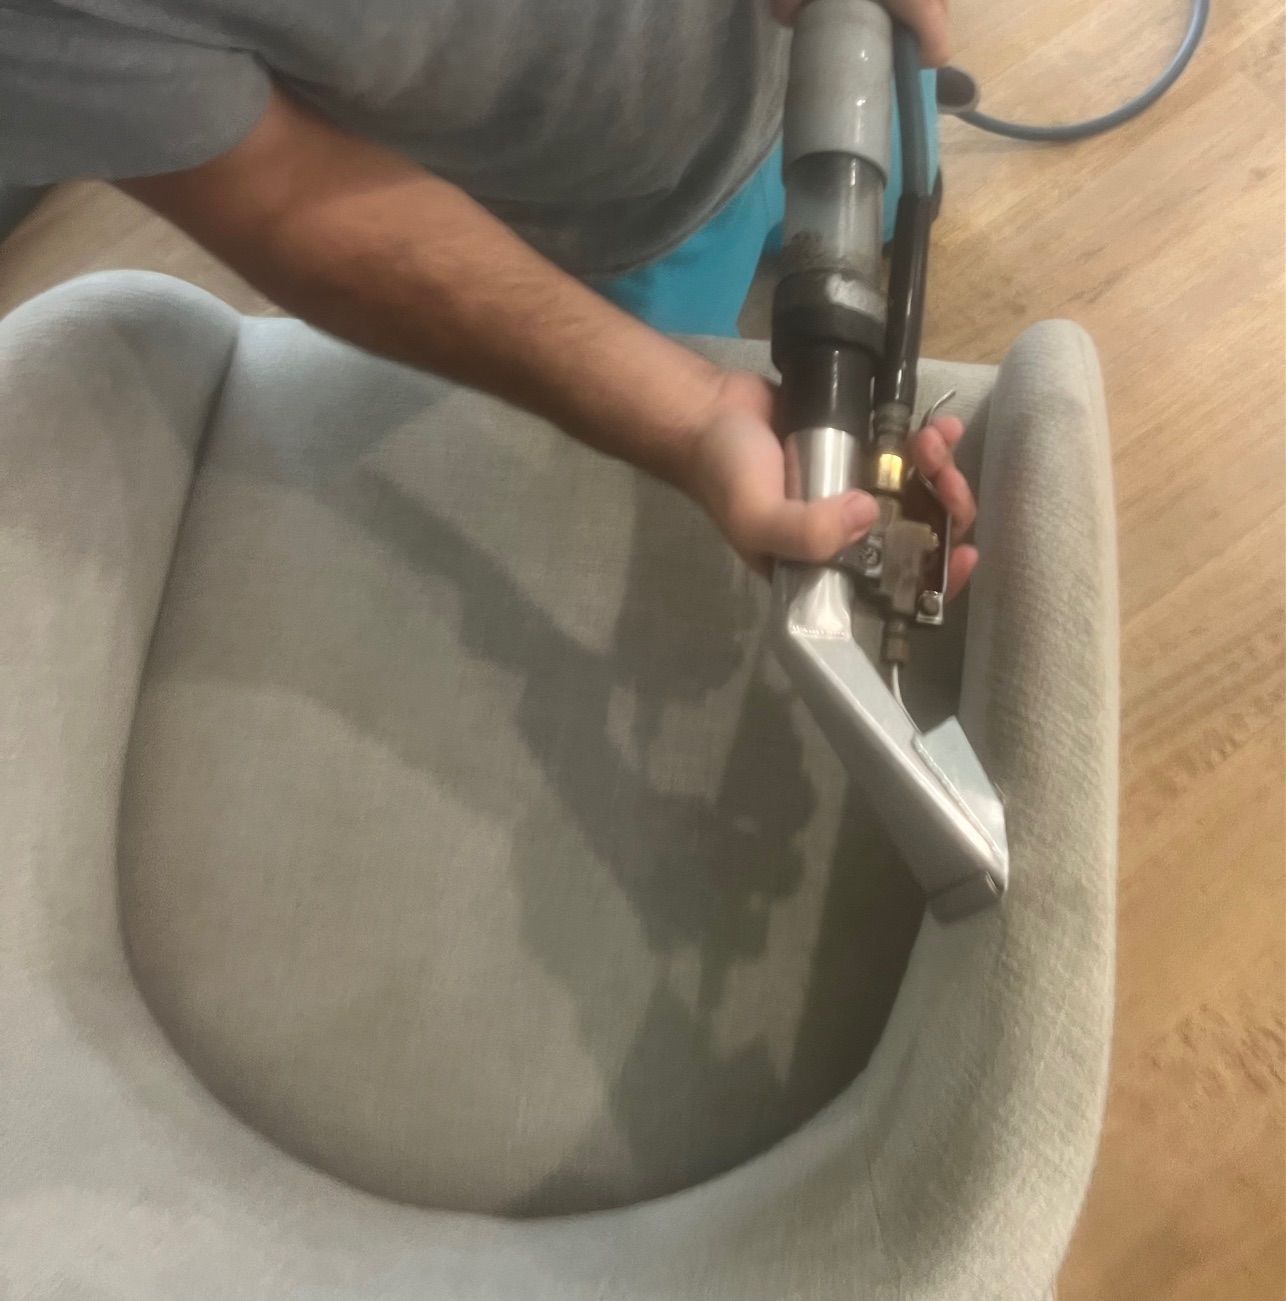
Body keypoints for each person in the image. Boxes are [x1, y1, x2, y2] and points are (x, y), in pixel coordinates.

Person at [0, 0, 974, 589]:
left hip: (818, 59)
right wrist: (691, 413)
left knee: (881, 203)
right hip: (615, 225)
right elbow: (289, 195)